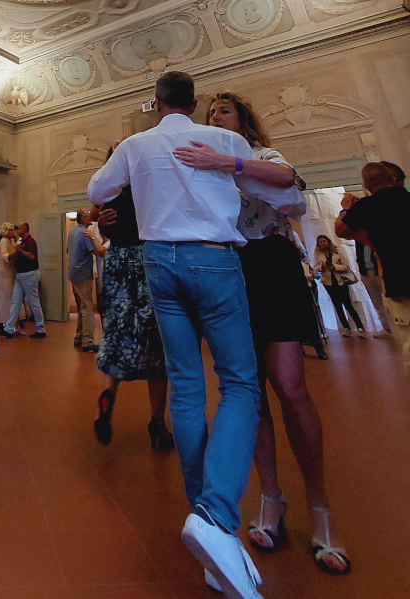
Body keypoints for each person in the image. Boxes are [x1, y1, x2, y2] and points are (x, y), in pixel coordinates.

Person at [87, 71, 303, 599]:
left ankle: (209, 524)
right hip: (214, 259)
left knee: (186, 385)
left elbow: (96, 192)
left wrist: (135, 169)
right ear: (194, 103)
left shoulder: (139, 142)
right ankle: (215, 515)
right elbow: (285, 191)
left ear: (158, 104)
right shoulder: (226, 140)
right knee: (240, 385)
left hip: (160, 262)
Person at [174, 90, 350, 577]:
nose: (215, 118)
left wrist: (225, 161)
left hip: (271, 264)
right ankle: (271, 499)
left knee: (290, 386)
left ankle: (321, 511)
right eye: (211, 114)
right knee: (245, 391)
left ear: (243, 120)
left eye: (223, 111)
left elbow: (288, 183)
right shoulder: (207, 166)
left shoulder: (258, 154)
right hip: (230, 268)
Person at [89, 162, 172, 449]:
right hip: (147, 261)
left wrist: (101, 223)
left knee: (116, 335)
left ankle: (108, 393)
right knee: (157, 345)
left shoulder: (109, 196)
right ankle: (158, 424)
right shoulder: (148, 189)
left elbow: (104, 228)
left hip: (116, 261)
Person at [337, 162, 410, 376]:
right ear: (392, 177)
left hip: (399, 280)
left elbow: (341, 229)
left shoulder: (367, 206)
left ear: (366, 184)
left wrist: (346, 208)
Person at [313, 235, 367, 338]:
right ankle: (346, 328)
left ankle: (360, 328)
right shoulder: (318, 255)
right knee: (337, 305)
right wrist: (321, 267)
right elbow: (315, 268)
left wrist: (334, 267)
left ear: (328, 242)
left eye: (324, 241)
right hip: (328, 283)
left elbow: (346, 266)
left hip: (340, 281)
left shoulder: (337, 252)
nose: (322, 243)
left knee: (348, 304)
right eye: (320, 242)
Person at [0, 223, 46, 339]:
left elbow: (32, 257)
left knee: (33, 302)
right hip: (20, 275)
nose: (16, 230)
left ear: (25, 229)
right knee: (15, 302)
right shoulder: (20, 241)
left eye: (19, 229)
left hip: (29, 274)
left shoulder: (30, 241)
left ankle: (41, 329)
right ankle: (9, 328)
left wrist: (20, 251)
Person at [68, 208, 104, 353]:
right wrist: (95, 238)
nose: (90, 218)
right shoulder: (85, 234)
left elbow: (68, 250)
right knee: (87, 307)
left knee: (81, 306)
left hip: (73, 273)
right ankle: (87, 340)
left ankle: (78, 336)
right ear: (82, 218)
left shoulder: (72, 232)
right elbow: (98, 252)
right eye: (88, 216)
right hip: (83, 274)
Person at [0, 223, 20, 333]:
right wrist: (16, 251)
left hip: (9, 272)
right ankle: (3, 323)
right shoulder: (3, 242)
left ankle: (3, 322)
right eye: (12, 230)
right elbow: (5, 257)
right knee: (4, 297)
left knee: (5, 297)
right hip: (2, 273)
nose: (14, 232)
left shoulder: (11, 241)